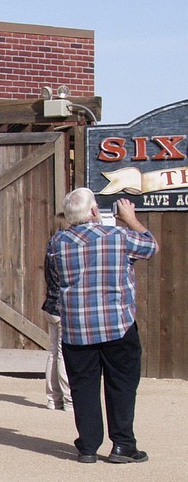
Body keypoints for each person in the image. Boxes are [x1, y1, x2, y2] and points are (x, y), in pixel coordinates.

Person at [47, 188, 157, 464]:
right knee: (121, 384)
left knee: (83, 386)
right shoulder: (118, 237)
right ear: (95, 212)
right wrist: (130, 218)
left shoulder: (57, 243)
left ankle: (87, 446)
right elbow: (150, 247)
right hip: (116, 324)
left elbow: (54, 277)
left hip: (77, 326)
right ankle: (123, 444)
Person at [41, 207, 71, 411]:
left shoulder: (50, 249)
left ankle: (53, 398)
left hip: (50, 305)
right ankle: (69, 399)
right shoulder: (64, 251)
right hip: (62, 307)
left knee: (53, 352)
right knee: (62, 353)